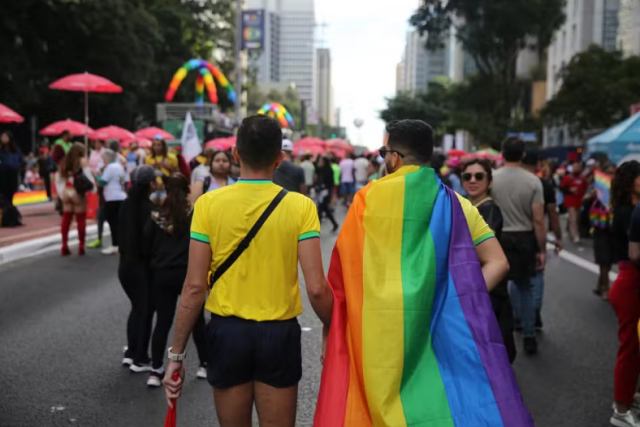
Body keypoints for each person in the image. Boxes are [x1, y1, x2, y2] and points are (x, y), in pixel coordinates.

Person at [314, 120, 531, 427]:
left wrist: (329, 332)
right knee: (433, 405)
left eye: (383, 152)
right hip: (434, 323)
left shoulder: (366, 200)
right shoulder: (458, 204)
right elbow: (498, 262)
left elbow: (344, 276)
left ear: (394, 157)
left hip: (375, 332)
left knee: (371, 408)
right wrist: (456, 299)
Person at [162, 115, 333, 426]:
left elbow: (194, 287)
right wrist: (331, 327)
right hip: (279, 334)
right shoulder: (301, 207)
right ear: (280, 158)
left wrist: (176, 356)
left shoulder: (207, 205)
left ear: (236, 154)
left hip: (227, 332)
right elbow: (318, 288)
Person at [144, 174, 208, 387]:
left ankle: (155, 369)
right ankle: (204, 364)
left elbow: (147, 244)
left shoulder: (156, 216)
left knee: (163, 320)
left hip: (162, 273)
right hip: (187, 272)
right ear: (187, 190)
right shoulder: (194, 214)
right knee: (197, 320)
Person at [491, 136, 546, 355]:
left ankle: (500, 334)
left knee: (499, 287)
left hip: (497, 237)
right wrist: (542, 248)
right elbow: (539, 219)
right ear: (523, 154)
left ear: (502, 154)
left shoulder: (493, 179)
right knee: (524, 287)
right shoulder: (533, 181)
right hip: (524, 238)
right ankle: (529, 335)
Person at [461, 158, 516, 363]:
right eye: (467, 176)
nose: (472, 180)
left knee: (493, 349)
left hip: (490, 288)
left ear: (489, 182)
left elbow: (479, 247)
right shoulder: (465, 206)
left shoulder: (489, 209)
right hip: (473, 283)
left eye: (479, 176)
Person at [516, 149, 563, 330]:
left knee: (515, 279)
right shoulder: (543, 184)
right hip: (533, 235)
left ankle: (520, 315)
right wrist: (557, 238)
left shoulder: (506, 181)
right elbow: (551, 215)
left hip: (510, 235)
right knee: (536, 276)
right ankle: (533, 313)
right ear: (538, 165)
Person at [608, 161, 640, 427]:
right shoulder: (627, 212)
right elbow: (634, 254)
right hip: (631, 282)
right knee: (631, 348)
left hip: (629, 280)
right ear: (630, 181)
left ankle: (628, 396)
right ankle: (620, 409)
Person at [118, 165, 158, 372]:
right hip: (141, 266)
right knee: (145, 309)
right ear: (152, 183)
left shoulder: (126, 204)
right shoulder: (150, 209)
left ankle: (131, 352)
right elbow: (150, 242)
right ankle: (140, 357)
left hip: (124, 265)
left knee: (136, 308)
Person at [55, 143, 95, 256]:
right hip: (78, 192)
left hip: (67, 191)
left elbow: (58, 179)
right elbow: (89, 178)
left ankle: (64, 245)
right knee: (81, 220)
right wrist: (93, 189)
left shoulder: (63, 163)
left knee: (66, 219)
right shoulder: (82, 162)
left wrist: (61, 193)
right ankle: (81, 245)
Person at [590, 163, 616, 300]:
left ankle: (600, 284)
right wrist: (594, 195)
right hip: (600, 228)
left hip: (613, 228)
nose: (611, 176)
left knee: (608, 260)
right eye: (609, 173)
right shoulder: (599, 188)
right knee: (604, 259)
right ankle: (605, 288)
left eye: (614, 173)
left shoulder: (620, 190)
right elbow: (585, 200)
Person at [96, 149, 127, 255]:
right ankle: (120, 244)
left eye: (103, 159)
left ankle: (115, 244)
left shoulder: (110, 167)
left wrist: (95, 175)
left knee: (113, 222)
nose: (103, 161)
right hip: (120, 196)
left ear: (107, 158)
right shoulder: (119, 166)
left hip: (112, 197)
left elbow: (102, 181)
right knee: (118, 222)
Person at [561, 160, 588, 243]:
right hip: (570, 201)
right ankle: (575, 236)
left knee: (577, 218)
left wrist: (585, 195)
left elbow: (585, 188)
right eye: (574, 167)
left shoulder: (582, 178)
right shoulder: (568, 177)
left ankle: (570, 230)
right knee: (573, 218)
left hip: (579, 201)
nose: (575, 169)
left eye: (577, 167)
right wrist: (570, 190)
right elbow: (562, 188)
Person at [315, 156, 339, 232]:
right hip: (321, 192)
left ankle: (317, 228)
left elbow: (330, 183)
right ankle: (334, 224)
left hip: (325, 192)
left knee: (321, 209)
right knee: (325, 209)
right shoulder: (321, 170)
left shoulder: (329, 171)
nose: (320, 163)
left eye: (321, 161)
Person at [0, 131, 23, 206]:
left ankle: (9, 210)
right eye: (2, 137)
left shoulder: (15, 150)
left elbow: (20, 160)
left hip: (13, 173)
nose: (4, 138)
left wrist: (17, 166)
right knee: (3, 194)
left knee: (11, 192)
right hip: (2, 174)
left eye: (5, 137)